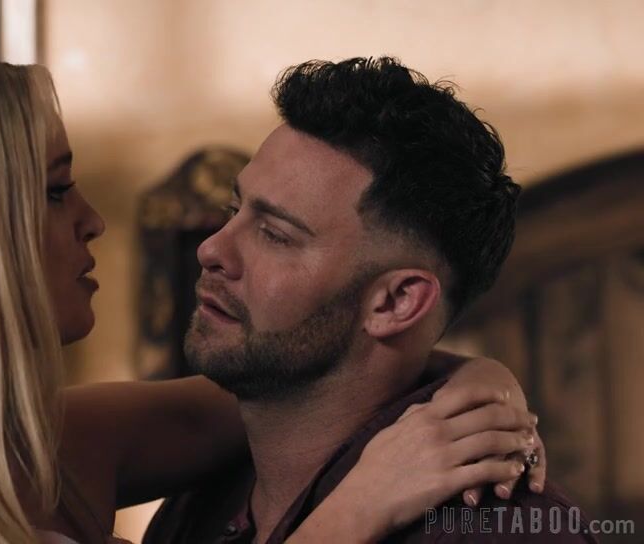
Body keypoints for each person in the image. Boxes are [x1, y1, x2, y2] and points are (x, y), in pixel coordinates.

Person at [0, 53, 544, 544]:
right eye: (55, 191)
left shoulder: (59, 440)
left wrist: (484, 386)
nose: (94, 221)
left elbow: (325, 380)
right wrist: (351, 516)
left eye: (274, 230)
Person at [143, 57, 594, 543]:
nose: (211, 249)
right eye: (233, 210)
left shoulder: (497, 532)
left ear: (396, 302)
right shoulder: (199, 500)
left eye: (274, 234)